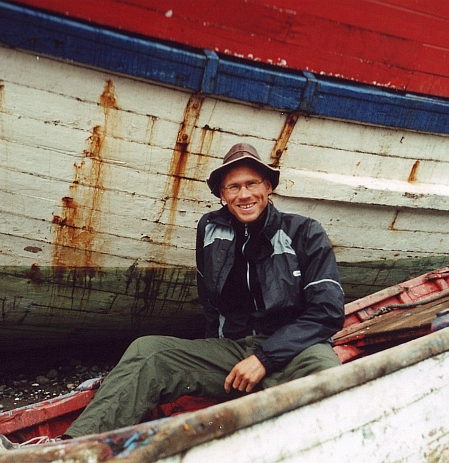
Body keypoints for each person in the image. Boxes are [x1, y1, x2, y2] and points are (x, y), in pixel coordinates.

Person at [63, 142, 345, 438]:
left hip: (296, 350)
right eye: (233, 187)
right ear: (222, 195)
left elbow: (326, 314)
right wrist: (217, 362)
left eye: (252, 184)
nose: (244, 194)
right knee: (147, 350)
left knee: (331, 374)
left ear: (268, 187)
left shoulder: (304, 231)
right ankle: (71, 447)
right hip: (234, 350)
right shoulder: (210, 229)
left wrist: (264, 358)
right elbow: (211, 304)